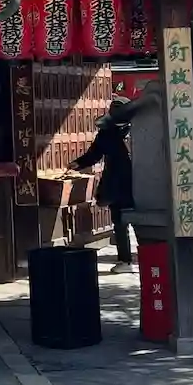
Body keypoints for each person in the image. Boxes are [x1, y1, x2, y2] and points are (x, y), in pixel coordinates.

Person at [71, 101, 136, 273]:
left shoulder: (138, 128)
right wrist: (78, 163)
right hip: (118, 183)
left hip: (139, 181)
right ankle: (126, 260)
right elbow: (95, 153)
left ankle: (145, 259)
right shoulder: (107, 132)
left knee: (140, 222)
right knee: (120, 222)